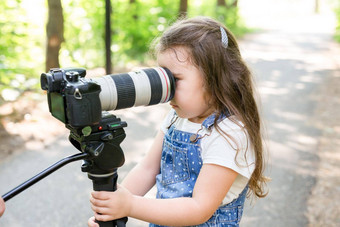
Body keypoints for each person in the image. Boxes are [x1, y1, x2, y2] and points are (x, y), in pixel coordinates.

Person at [88, 16, 268, 227]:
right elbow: (148, 169)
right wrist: (113, 207)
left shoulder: (229, 134)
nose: (167, 90)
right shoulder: (177, 118)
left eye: (176, 79)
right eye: (163, 77)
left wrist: (130, 205)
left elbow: (198, 208)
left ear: (216, 78)